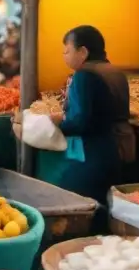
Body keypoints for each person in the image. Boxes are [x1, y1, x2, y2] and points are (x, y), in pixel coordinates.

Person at [39, 25, 134, 203]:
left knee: (75, 202)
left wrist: (56, 124)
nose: (64, 56)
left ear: (82, 52)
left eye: (67, 51)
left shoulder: (84, 75)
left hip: (92, 154)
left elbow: (80, 122)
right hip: (119, 149)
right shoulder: (114, 72)